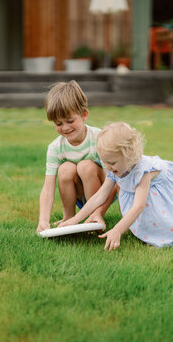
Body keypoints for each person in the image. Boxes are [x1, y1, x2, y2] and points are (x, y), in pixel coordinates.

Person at [59, 122, 173, 251]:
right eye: (104, 162)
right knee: (145, 220)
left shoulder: (143, 171)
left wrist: (117, 230)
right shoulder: (114, 169)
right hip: (142, 188)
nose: (107, 167)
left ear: (129, 156)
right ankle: (149, 232)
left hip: (162, 191)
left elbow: (138, 206)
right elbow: (99, 196)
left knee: (162, 219)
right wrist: (75, 219)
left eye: (112, 163)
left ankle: (169, 237)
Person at [37, 80, 116, 233]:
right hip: (80, 195)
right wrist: (43, 220)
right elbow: (48, 188)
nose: (65, 128)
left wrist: (99, 212)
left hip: (103, 192)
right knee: (65, 168)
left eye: (70, 121)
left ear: (84, 114)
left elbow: (113, 180)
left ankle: (93, 216)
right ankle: (69, 217)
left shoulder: (99, 139)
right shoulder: (55, 148)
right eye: (58, 123)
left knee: (85, 166)